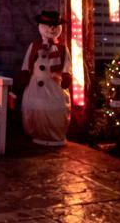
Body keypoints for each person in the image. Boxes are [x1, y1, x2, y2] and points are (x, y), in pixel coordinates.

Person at [20, 10, 72, 146]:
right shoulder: (35, 46)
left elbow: (67, 65)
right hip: (36, 85)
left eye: (55, 25)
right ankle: (37, 133)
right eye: (48, 25)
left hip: (55, 85)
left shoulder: (62, 48)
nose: (52, 29)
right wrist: (24, 74)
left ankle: (55, 135)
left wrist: (66, 75)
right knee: (36, 107)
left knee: (55, 109)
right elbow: (27, 63)